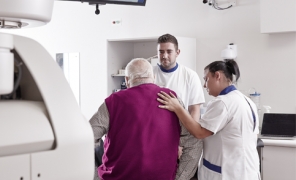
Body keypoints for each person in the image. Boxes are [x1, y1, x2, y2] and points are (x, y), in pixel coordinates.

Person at [157, 60, 261, 180]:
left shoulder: (223, 103)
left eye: (206, 79)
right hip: (247, 171)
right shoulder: (246, 100)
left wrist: (177, 107)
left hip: (227, 173)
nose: (204, 85)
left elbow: (199, 132)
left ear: (217, 76)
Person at [90, 58, 181, 180]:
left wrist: (95, 176)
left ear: (127, 80)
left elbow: (87, 136)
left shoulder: (114, 101)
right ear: (153, 77)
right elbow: (190, 138)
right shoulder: (171, 98)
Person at [153, 33, 205, 180]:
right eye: (161, 52)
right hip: (155, 138)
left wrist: (182, 143)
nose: (164, 56)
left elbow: (194, 110)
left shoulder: (189, 75)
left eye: (169, 51)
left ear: (177, 52)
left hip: (181, 138)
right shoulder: (150, 75)